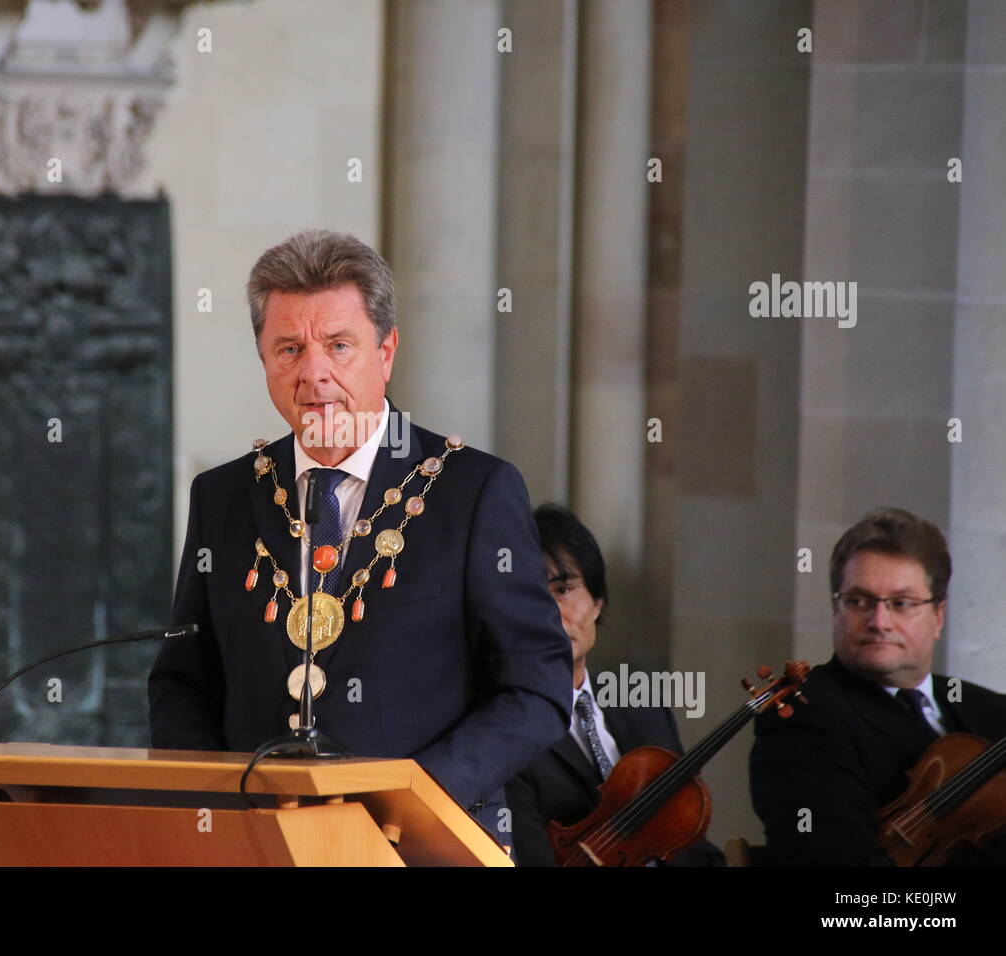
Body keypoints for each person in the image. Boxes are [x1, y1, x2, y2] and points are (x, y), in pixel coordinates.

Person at [148, 229, 572, 838]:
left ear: (387, 351)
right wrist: (222, 811)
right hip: (262, 846)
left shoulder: (473, 491)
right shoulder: (221, 497)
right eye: (288, 349)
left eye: (339, 346)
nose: (313, 373)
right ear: (263, 359)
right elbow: (182, 683)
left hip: (420, 843)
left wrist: (405, 802)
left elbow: (535, 687)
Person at [750, 506, 1006, 866]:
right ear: (835, 610)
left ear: (938, 617)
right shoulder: (800, 714)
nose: (879, 621)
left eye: (902, 603)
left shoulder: (993, 714)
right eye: (858, 601)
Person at [505, 504, 724, 866]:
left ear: (596, 602)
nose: (549, 612)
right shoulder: (505, 729)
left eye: (563, 588)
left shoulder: (646, 712)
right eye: (531, 594)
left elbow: (691, 847)